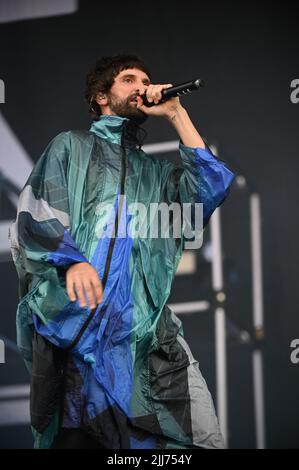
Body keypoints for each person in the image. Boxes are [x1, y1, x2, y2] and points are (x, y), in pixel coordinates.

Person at [9, 54, 235, 449]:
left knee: (201, 442)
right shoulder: (70, 147)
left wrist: (177, 113)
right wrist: (72, 260)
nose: (142, 86)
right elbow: (37, 211)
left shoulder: (156, 175)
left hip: (145, 343)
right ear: (101, 96)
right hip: (76, 340)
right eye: (129, 79)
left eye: (146, 80)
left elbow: (209, 189)